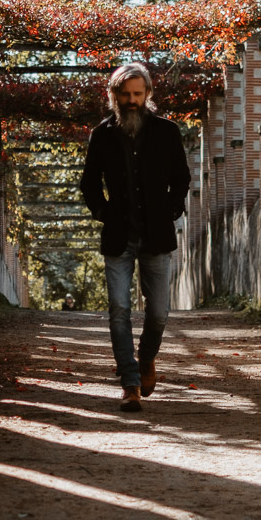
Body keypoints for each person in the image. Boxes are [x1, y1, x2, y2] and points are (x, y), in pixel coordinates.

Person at [78, 63, 191, 412]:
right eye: (125, 94)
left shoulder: (167, 132)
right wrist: (104, 213)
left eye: (137, 94)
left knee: (158, 313)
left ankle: (145, 359)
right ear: (114, 95)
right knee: (119, 310)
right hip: (119, 237)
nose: (131, 100)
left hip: (157, 235)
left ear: (148, 94)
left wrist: (171, 210)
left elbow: (182, 178)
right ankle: (129, 384)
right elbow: (89, 184)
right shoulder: (102, 135)